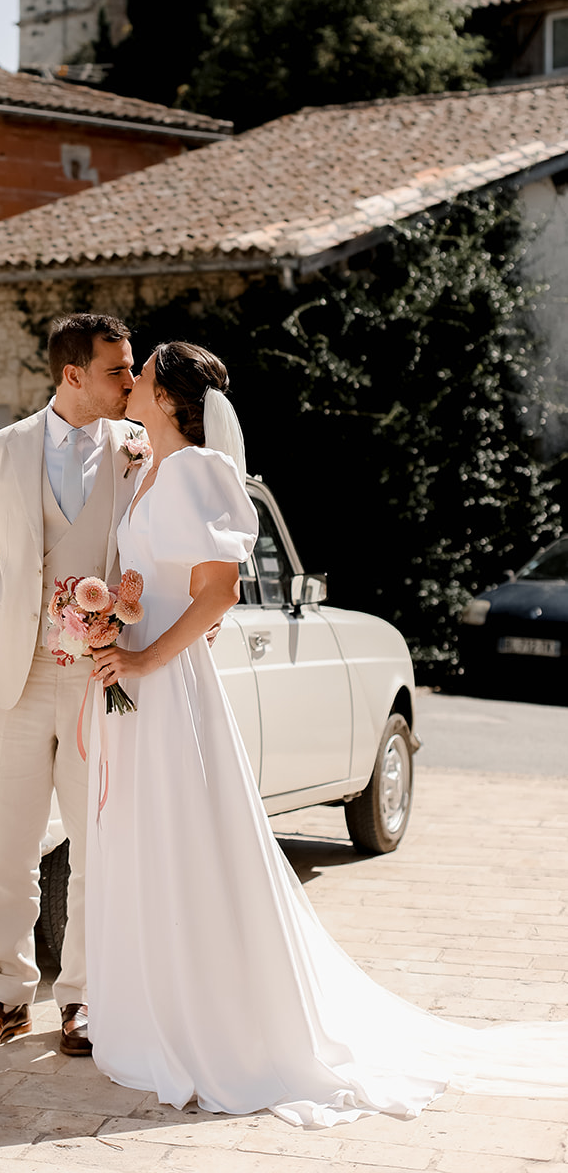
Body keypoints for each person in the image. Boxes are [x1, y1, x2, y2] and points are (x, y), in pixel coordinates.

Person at [85, 339, 568, 1127]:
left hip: (169, 688)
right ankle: (147, 1011)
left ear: (169, 399)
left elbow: (216, 594)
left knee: (183, 839)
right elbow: (160, 584)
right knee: (145, 839)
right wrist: (112, 620)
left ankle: (217, 1030)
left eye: (140, 377)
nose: (130, 383)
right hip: (144, 679)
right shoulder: (153, 469)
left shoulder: (201, 472)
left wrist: (140, 659)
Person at [0, 312, 139, 1055]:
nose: (131, 379)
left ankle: (81, 999)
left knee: (93, 849)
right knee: (8, 850)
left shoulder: (136, 451)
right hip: (15, 675)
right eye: (117, 370)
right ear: (71, 374)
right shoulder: (3, 449)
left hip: (99, 677)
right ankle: (6, 995)